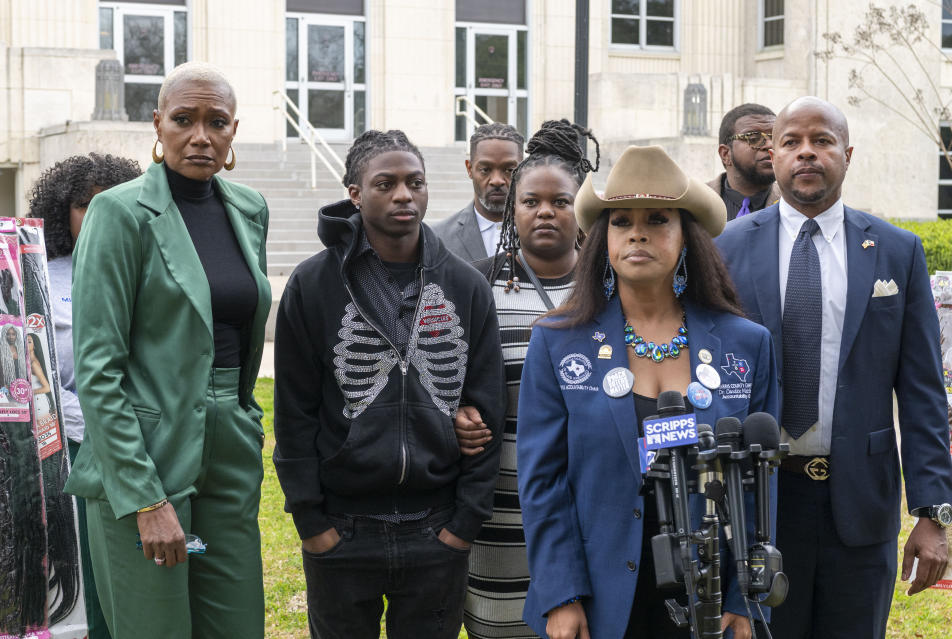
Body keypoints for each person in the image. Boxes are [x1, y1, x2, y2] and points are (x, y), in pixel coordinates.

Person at [517, 145, 780, 639]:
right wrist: (561, 594)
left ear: (686, 238)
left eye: (658, 219)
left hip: (713, 593)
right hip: (597, 596)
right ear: (602, 239)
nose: (637, 232)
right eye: (621, 221)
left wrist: (746, 598)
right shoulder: (557, 342)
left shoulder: (747, 344)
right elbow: (542, 484)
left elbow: (759, 483)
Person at [715, 96, 952, 639]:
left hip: (861, 504)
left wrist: (933, 511)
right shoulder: (727, 249)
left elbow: (922, 393)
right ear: (772, 155)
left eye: (822, 141)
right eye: (792, 142)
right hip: (761, 503)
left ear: (847, 154)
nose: (807, 153)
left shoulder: (896, 251)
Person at [63, 62, 273, 639]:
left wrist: (245, 416)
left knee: (237, 625)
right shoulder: (118, 213)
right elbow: (98, 370)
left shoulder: (249, 209)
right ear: (158, 124)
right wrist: (143, 496)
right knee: (154, 628)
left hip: (229, 445)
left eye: (217, 122)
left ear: (234, 132)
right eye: (184, 119)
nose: (200, 135)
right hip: (145, 452)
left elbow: (239, 327)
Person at [273, 129, 505, 639]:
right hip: (344, 529)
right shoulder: (313, 285)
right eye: (386, 184)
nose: (404, 194)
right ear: (355, 193)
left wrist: (462, 525)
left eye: (415, 182)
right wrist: (313, 525)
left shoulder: (465, 286)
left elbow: (488, 411)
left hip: (435, 528)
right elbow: (293, 413)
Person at [455, 119, 598, 639]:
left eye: (560, 201)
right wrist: (456, 413)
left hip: (590, 500)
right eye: (531, 201)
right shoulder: (475, 287)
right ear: (511, 210)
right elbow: (446, 379)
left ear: (580, 208)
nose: (545, 211)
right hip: (500, 503)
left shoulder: (611, 287)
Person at [27, 151, 142, 639]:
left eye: (108, 202)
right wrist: (89, 423)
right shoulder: (39, 278)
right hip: (64, 441)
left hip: (136, 435)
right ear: (61, 212)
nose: (96, 215)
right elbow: (34, 373)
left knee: (127, 570)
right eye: (82, 205)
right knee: (81, 568)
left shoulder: (145, 270)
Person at [433, 123, 524, 261]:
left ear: (523, 169)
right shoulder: (438, 238)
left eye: (509, 170)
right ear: (469, 169)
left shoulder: (542, 232)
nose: (497, 180)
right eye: (485, 170)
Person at [708, 103, 780, 221]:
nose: (770, 145)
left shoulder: (795, 204)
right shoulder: (692, 203)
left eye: (776, 138)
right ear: (725, 154)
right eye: (753, 139)